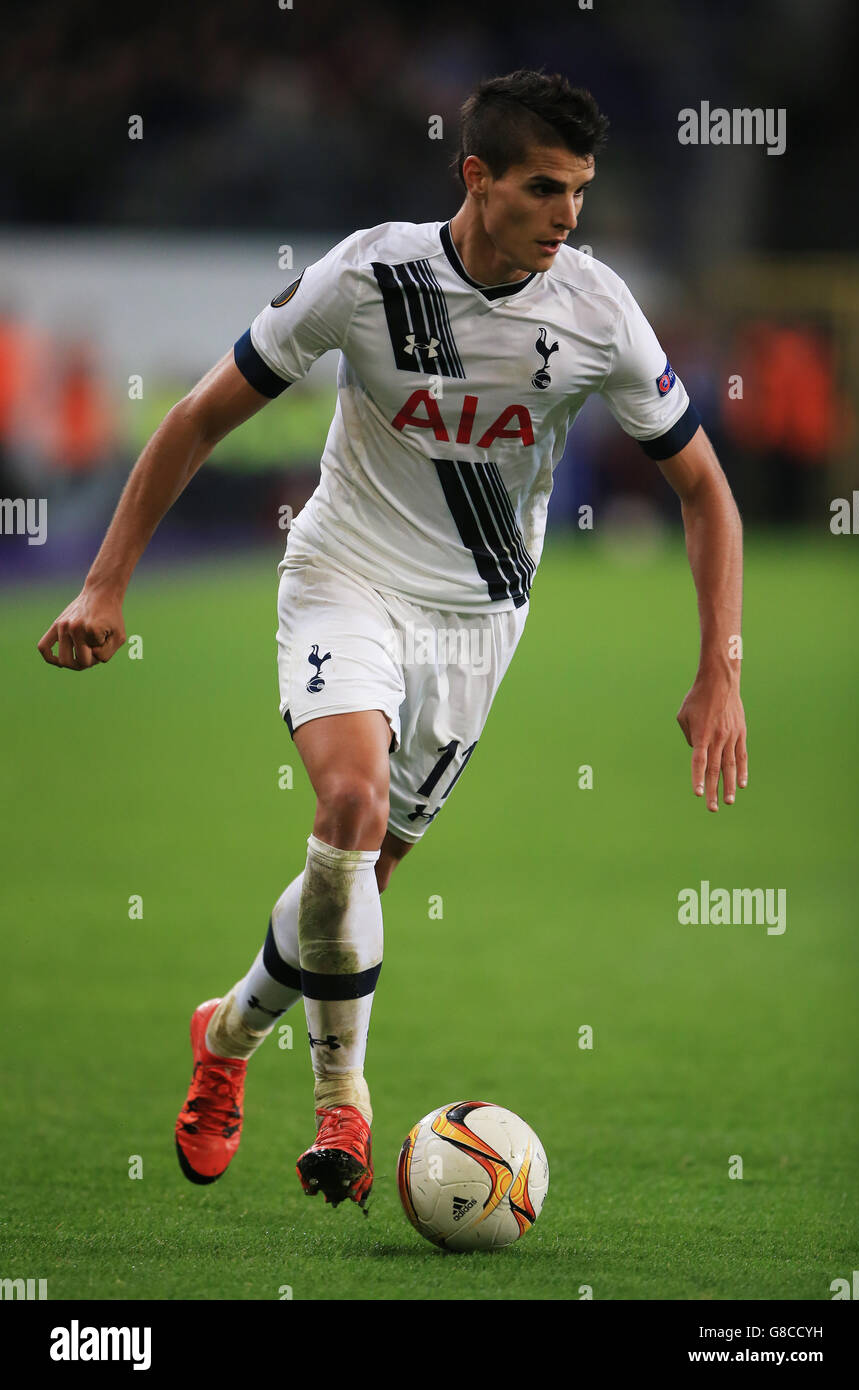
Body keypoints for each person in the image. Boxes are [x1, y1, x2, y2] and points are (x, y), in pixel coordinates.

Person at [37, 69, 747, 1213]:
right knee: (349, 810)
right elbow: (199, 414)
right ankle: (343, 1104)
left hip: (478, 626)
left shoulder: (598, 311)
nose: (568, 215)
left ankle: (222, 1039)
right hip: (345, 579)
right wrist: (105, 586)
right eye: (543, 188)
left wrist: (720, 676)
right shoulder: (369, 276)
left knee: (356, 876)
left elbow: (707, 492)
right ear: (475, 178)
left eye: (581, 191)